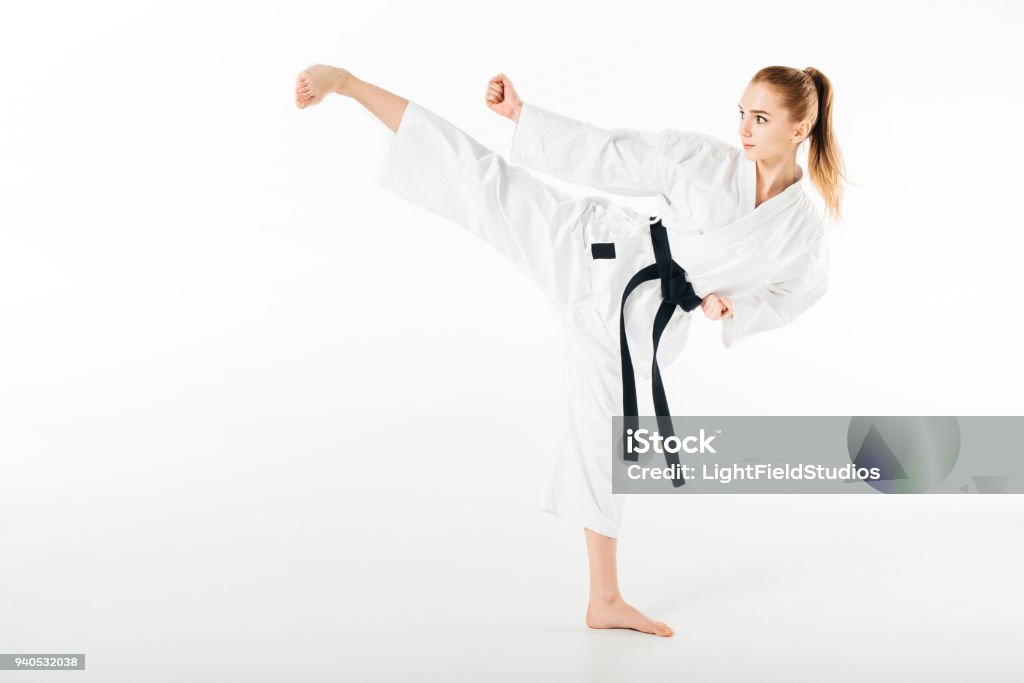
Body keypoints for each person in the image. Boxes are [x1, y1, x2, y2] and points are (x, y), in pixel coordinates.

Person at [294, 63, 845, 637]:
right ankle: (351, 84)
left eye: (761, 118)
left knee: (603, 436)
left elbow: (797, 290)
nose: (745, 130)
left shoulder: (800, 231)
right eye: (742, 114)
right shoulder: (704, 163)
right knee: (482, 180)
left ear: (800, 127)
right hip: (597, 250)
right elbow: (611, 153)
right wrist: (522, 117)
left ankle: (603, 599)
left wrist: (727, 305)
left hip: (639, 325)